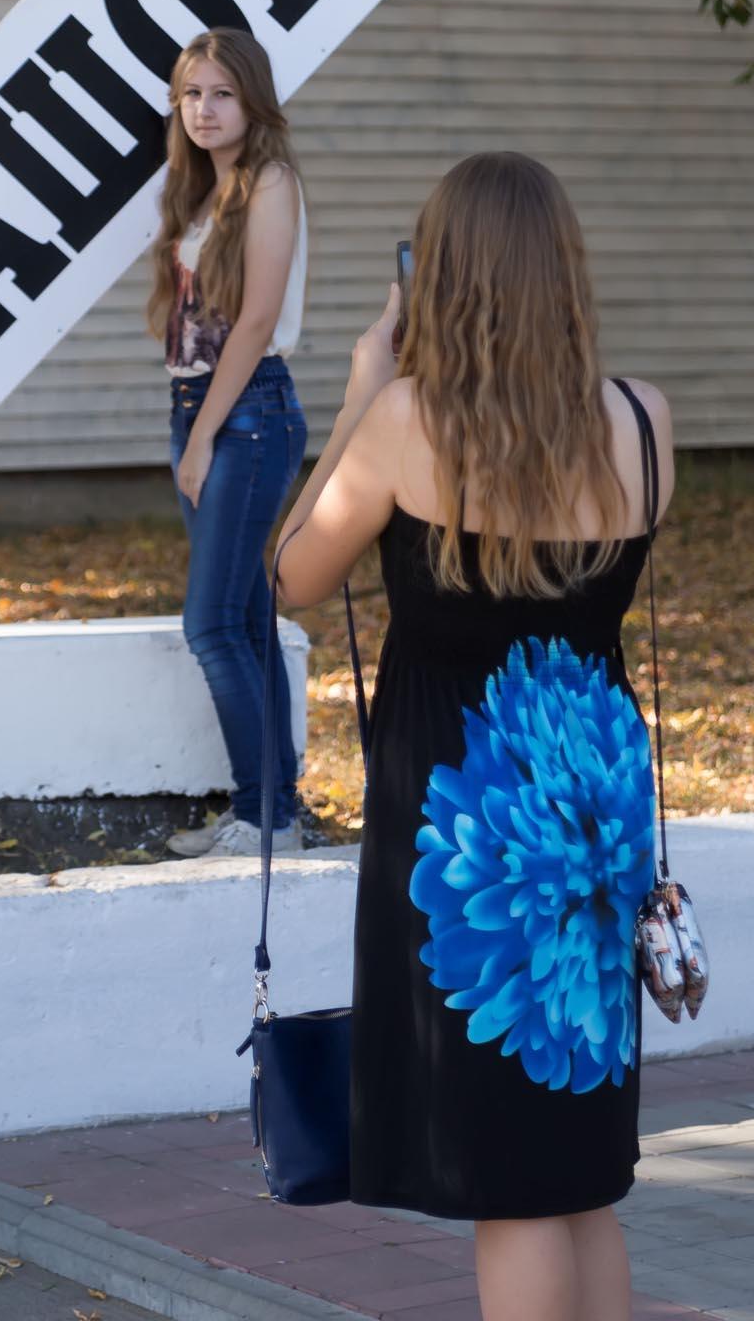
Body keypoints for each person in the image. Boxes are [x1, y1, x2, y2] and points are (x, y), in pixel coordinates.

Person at [272, 152, 674, 1321]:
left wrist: (358, 391)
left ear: (440, 277)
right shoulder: (644, 422)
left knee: (513, 1178)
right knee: (577, 1167)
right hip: (595, 797)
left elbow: (291, 574)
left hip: (468, 822)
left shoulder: (406, 424)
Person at [148, 29, 312, 860]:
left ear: (252, 101)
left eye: (221, 94)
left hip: (246, 413)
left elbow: (254, 321)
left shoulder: (271, 183)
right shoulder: (203, 193)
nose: (204, 109)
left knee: (212, 624)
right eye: (191, 94)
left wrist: (203, 436)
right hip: (205, 406)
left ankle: (263, 816)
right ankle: (273, 810)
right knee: (244, 623)